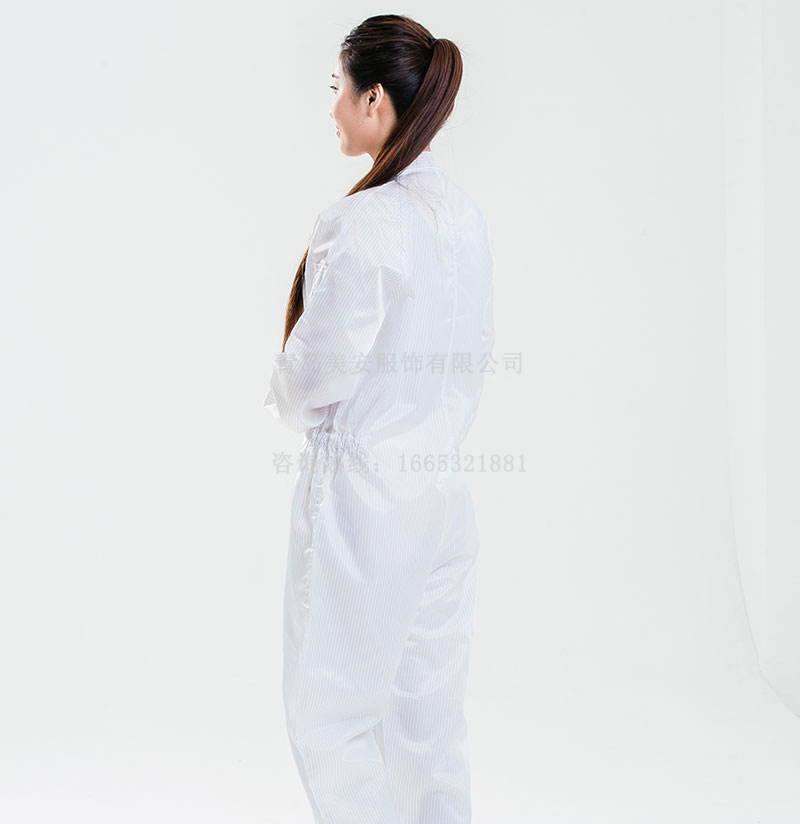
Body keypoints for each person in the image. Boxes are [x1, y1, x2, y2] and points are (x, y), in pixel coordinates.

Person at [263, 13, 495, 824]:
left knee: (330, 718)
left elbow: (310, 383)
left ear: (374, 99)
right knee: (428, 721)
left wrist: (283, 380)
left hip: (363, 505)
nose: (332, 107)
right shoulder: (464, 218)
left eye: (339, 88)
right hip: (441, 497)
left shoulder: (360, 223)